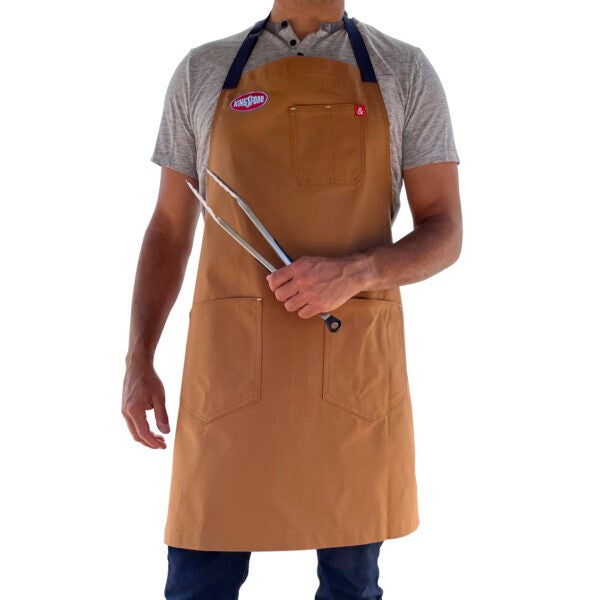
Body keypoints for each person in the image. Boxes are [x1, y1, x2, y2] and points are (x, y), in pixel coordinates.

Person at [122, 0, 462, 597]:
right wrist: (137, 359)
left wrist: (358, 271)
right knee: (197, 583)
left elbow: (446, 231)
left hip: (351, 377)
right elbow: (169, 230)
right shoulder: (203, 71)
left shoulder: (403, 71)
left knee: (351, 587)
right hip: (229, 378)